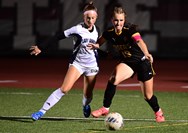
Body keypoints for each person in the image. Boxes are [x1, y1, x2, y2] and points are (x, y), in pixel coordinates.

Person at [87, 5, 165, 123]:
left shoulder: (130, 30)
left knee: (148, 96)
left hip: (142, 62)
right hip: (128, 63)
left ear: (124, 20)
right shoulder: (109, 32)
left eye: (121, 20)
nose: (118, 23)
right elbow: (99, 42)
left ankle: (158, 112)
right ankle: (105, 108)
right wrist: (96, 46)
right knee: (113, 79)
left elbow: (139, 41)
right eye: (116, 20)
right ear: (112, 20)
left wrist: (147, 53)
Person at [30, 1, 99, 121]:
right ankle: (41, 111)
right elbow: (58, 36)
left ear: (96, 18)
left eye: (93, 18)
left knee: (88, 95)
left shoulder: (97, 30)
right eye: (88, 18)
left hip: (92, 65)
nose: (90, 20)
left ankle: (85, 105)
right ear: (84, 17)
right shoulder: (77, 29)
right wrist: (41, 47)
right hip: (78, 63)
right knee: (64, 89)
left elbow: (97, 47)